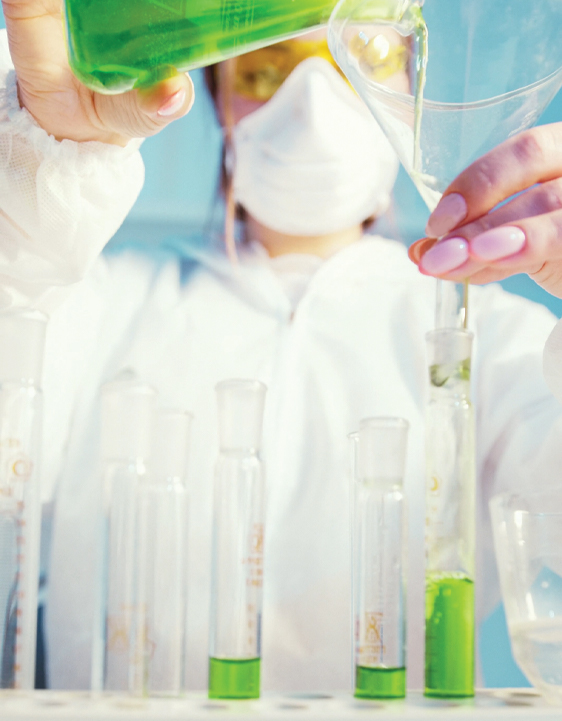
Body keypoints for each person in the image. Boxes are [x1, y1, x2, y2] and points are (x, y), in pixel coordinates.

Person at [2, 0, 562, 693]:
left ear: (414, 85)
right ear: (212, 96)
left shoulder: (488, 334)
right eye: (267, 70)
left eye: (359, 62)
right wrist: (29, 188)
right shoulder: (102, 304)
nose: (313, 101)